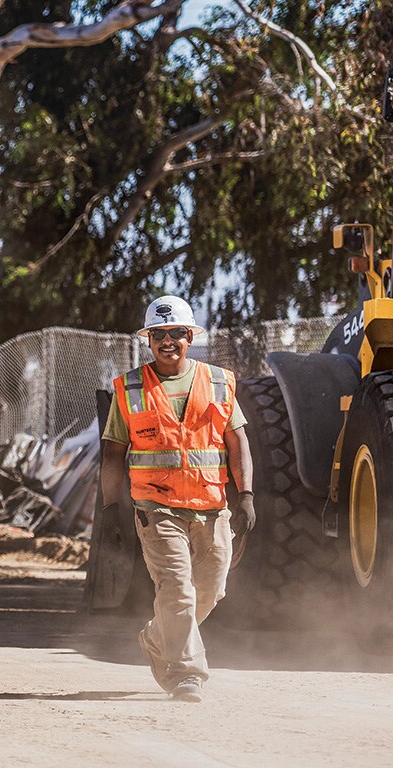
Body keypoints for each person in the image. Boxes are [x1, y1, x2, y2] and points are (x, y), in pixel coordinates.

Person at [100, 295, 255, 703]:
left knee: (211, 589)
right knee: (177, 590)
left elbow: (238, 442)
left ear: (190, 336)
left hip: (211, 505)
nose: (167, 341)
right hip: (156, 508)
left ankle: (156, 636)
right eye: (158, 335)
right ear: (148, 341)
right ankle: (187, 672)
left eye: (175, 333)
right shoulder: (130, 388)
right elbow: (113, 452)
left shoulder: (219, 381)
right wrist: (109, 508)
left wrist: (247, 495)